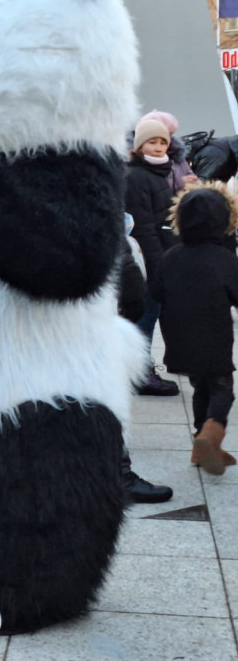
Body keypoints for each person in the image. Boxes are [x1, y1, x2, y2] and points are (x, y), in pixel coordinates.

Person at [151, 182, 238, 475]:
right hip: (213, 333)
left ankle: (201, 448)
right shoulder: (225, 259)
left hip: (178, 334)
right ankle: (211, 434)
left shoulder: (170, 256)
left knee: (200, 387)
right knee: (223, 388)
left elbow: (156, 291)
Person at [117, 213, 175, 503]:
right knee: (99, 401)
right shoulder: (87, 196)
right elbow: (132, 296)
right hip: (81, 328)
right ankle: (119, 474)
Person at [124, 116, 180, 397]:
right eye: (151, 141)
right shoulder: (137, 176)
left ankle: (139, 370)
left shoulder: (157, 173)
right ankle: (141, 373)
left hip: (160, 256)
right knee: (146, 316)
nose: (158, 147)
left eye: (162, 142)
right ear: (139, 145)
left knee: (148, 314)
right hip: (149, 261)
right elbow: (144, 226)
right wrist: (157, 266)